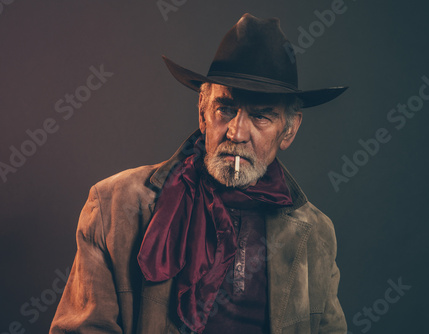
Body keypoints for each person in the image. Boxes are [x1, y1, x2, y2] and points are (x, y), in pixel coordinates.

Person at [50, 13, 348, 334]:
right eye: (226, 109)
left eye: (261, 116)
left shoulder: (316, 235)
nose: (236, 132)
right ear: (204, 114)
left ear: (288, 131)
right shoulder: (113, 206)